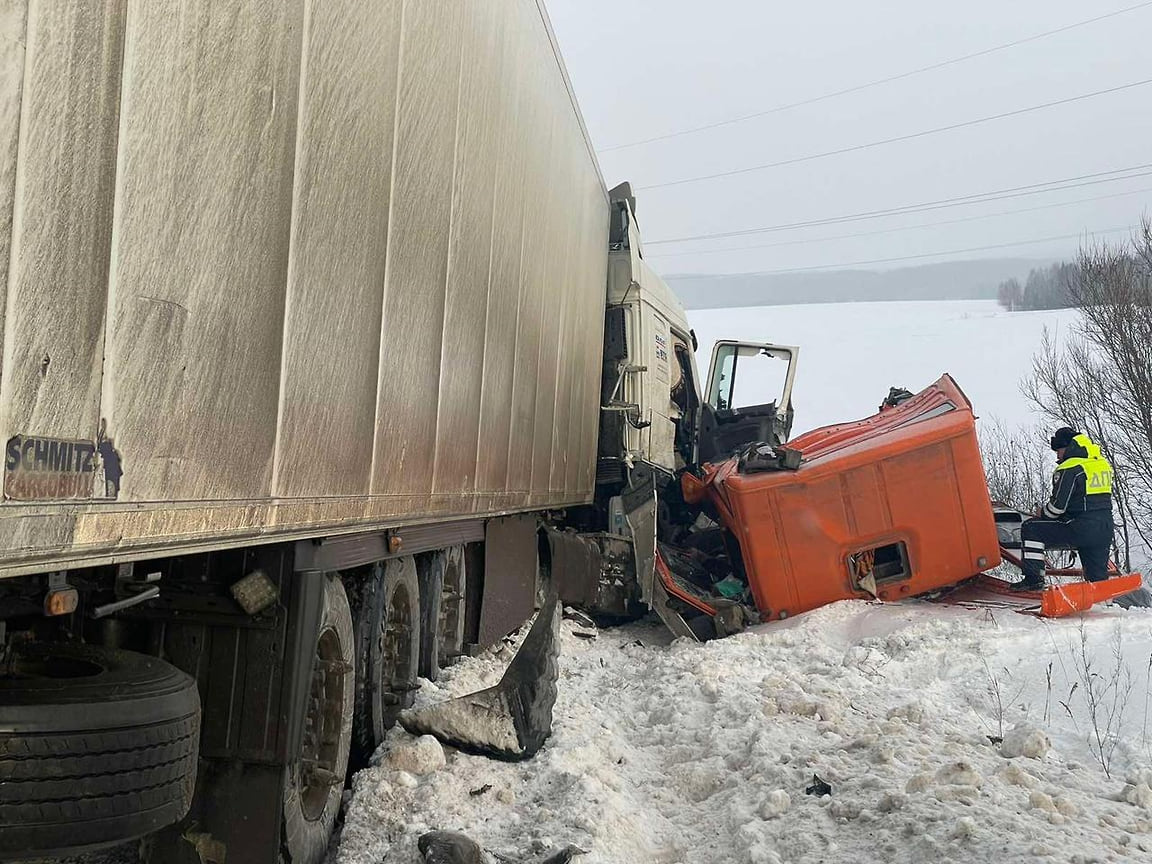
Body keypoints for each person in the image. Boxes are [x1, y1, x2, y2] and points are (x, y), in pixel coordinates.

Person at [1013, 426, 1115, 591]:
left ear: (1068, 447)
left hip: (1080, 526)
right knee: (1097, 580)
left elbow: (1057, 508)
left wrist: (1042, 513)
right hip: (1104, 527)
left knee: (1031, 528)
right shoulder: (1100, 464)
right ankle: (1102, 601)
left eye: (1058, 450)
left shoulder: (1070, 468)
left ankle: (1033, 580)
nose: (1057, 455)